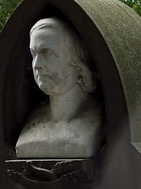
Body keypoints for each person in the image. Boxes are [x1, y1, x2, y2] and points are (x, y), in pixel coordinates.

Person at [14, 16, 103, 161]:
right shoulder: (32, 122)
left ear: (77, 64)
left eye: (46, 53)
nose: (36, 65)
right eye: (33, 54)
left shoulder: (98, 120)